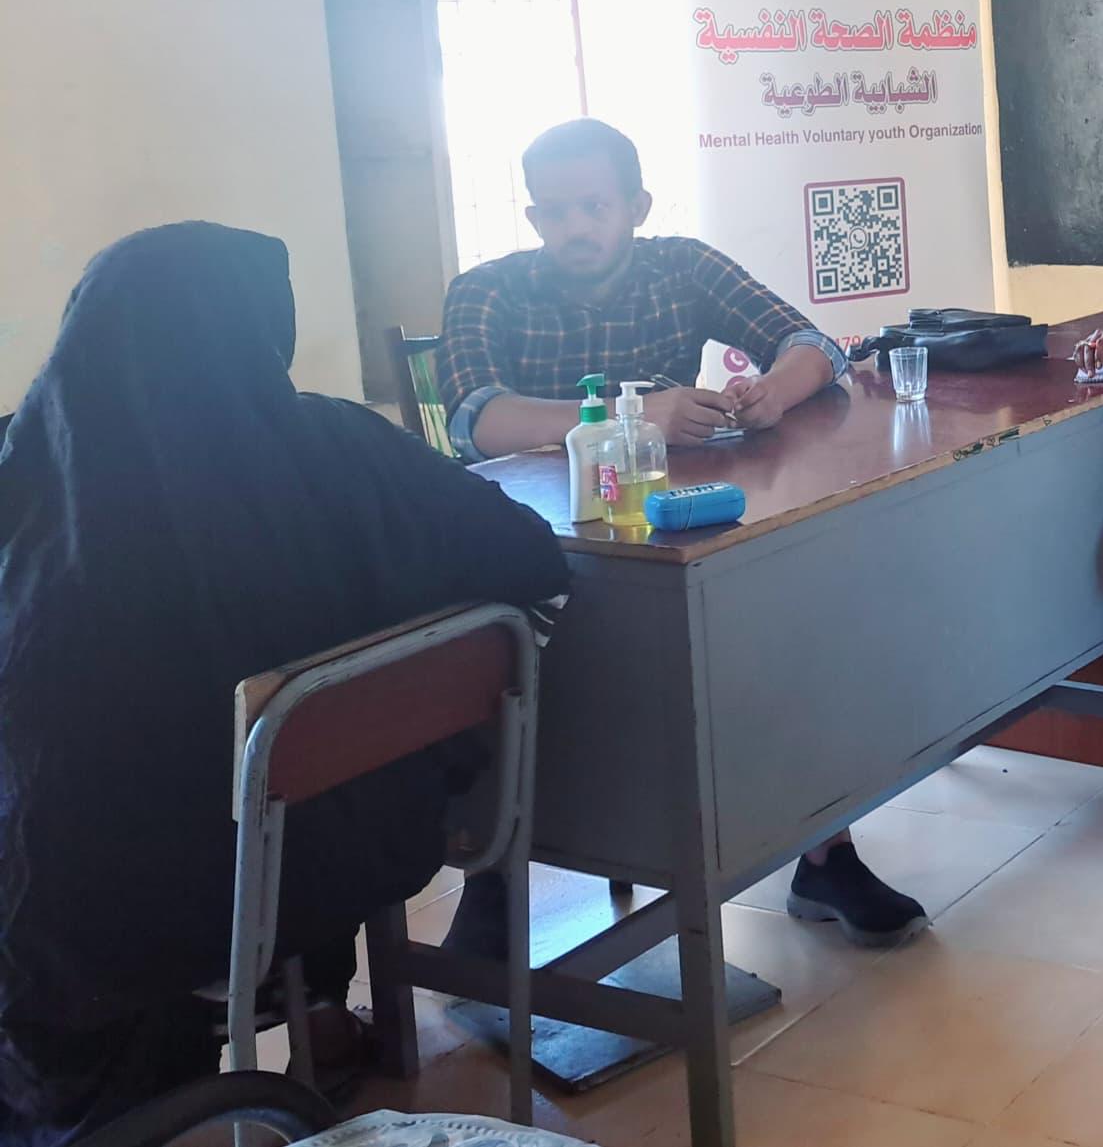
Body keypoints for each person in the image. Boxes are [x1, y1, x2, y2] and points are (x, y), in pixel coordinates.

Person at [0, 224, 572, 1147]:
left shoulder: (29, 468)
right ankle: (311, 1016)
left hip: (66, 918)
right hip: (304, 856)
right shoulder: (333, 441)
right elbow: (527, 555)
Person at [433, 118, 925, 950]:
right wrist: (632, 416)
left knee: (794, 600)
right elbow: (475, 420)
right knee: (488, 653)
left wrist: (773, 391)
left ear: (637, 205)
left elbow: (810, 343)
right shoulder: (486, 291)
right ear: (534, 217)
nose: (575, 227)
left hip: (670, 533)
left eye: (595, 206)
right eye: (555, 211)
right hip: (527, 543)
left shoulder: (682, 265)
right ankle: (494, 874)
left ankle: (824, 852)